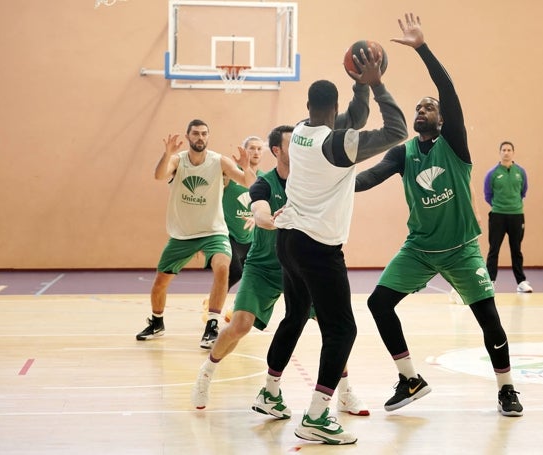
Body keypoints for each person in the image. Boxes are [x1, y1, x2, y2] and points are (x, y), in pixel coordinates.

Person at [355, 14, 523, 417]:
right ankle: (410, 378)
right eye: (418, 107)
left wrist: (421, 49)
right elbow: (367, 179)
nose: (422, 109)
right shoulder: (403, 153)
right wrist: (330, 182)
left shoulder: (455, 145)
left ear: (443, 119)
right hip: (420, 249)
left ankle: (507, 389)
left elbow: (447, 89)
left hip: (462, 248)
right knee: (378, 304)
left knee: (490, 321)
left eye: (429, 107)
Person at [253, 52, 407, 445]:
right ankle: (317, 416)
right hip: (317, 247)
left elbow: (353, 119)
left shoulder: (305, 130)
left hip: (287, 239)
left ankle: (270, 393)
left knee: (295, 316)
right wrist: (375, 83)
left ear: (309, 107)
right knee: (342, 330)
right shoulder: (336, 145)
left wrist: (358, 83)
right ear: (333, 109)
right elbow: (396, 130)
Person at [191, 126, 369, 418]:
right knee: (240, 326)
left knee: (333, 328)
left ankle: (345, 393)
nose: (300, 148)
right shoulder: (263, 183)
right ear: (277, 151)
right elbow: (260, 215)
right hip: (263, 268)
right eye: (292, 144)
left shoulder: (309, 183)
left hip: (301, 269)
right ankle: (206, 373)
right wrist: (276, 220)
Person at [136, 119, 257, 349]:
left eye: (204, 134)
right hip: (182, 233)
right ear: (188, 136)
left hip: (213, 230)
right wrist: (167, 153)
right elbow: (159, 175)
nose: (200, 137)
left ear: (208, 137)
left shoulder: (218, 161)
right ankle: (157, 322)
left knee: (223, 266)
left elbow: (249, 183)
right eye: (195, 134)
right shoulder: (177, 160)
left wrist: (246, 166)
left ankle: (211, 326)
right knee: (160, 282)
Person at [483, 141, 532, 293]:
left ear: (513, 152)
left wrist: (513, 205)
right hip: (498, 215)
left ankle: (521, 282)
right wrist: (499, 206)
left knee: (516, 250)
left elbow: (523, 191)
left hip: (516, 215)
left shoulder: (520, 172)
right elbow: (487, 195)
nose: (506, 152)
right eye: (503, 150)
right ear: (500, 153)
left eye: (509, 150)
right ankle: (490, 281)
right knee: (494, 249)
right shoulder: (492, 173)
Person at [222, 135, 264, 289]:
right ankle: (212, 304)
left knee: (253, 277)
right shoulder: (230, 174)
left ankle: (241, 309)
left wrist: (257, 217)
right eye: (251, 148)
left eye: (259, 149)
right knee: (234, 272)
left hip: (251, 238)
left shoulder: (265, 178)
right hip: (228, 233)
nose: (256, 152)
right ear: (244, 151)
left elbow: (269, 206)